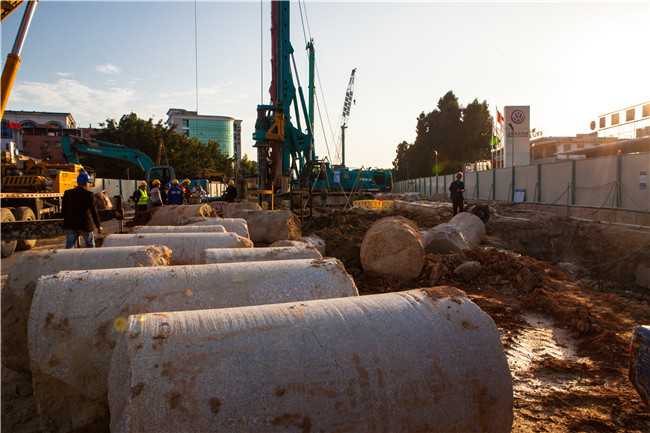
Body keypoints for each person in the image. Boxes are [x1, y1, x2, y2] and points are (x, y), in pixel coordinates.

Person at [62, 172, 103, 248]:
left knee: (69, 246)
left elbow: (63, 210)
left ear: (78, 182)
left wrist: (67, 220)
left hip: (71, 224)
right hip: (85, 225)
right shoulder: (89, 195)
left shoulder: (67, 193)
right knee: (90, 246)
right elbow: (94, 212)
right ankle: (92, 260)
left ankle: (67, 259)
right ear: (86, 183)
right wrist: (98, 226)